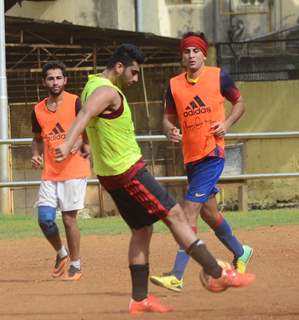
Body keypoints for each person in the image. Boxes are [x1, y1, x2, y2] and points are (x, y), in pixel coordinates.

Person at [54, 44, 255, 315]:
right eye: (134, 73)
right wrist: (68, 144)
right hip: (128, 171)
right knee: (175, 214)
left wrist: (86, 143)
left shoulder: (90, 86)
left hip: (110, 174)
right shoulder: (106, 91)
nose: (136, 79)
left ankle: (140, 299)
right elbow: (85, 114)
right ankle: (217, 271)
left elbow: (89, 117)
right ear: (120, 67)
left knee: (142, 230)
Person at [149, 32, 253, 293]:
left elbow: (240, 102)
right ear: (182, 57)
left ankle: (176, 275)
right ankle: (241, 252)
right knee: (209, 213)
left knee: (187, 213)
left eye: (196, 51)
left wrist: (227, 123)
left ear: (204, 54)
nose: (191, 55)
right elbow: (167, 119)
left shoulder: (218, 76)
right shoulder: (174, 85)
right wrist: (168, 129)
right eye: (187, 51)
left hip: (212, 154)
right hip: (191, 158)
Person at [31, 61, 90, 281]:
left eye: (58, 78)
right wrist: (36, 154)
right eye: (50, 78)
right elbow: (37, 139)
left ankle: (76, 265)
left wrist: (83, 142)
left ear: (65, 80)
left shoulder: (76, 102)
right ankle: (61, 253)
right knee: (45, 220)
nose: (55, 82)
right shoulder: (37, 110)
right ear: (43, 81)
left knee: (68, 219)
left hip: (74, 169)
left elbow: (88, 126)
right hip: (50, 172)